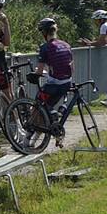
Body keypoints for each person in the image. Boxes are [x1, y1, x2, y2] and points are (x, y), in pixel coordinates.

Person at [31, 16, 75, 146]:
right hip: (66, 83)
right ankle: (54, 122)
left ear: (44, 33)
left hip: (54, 84)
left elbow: (39, 71)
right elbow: (72, 66)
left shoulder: (45, 47)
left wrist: (35, 74)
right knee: (47, 107)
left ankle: (29, 139)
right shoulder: (66, 45)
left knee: (37, 106)